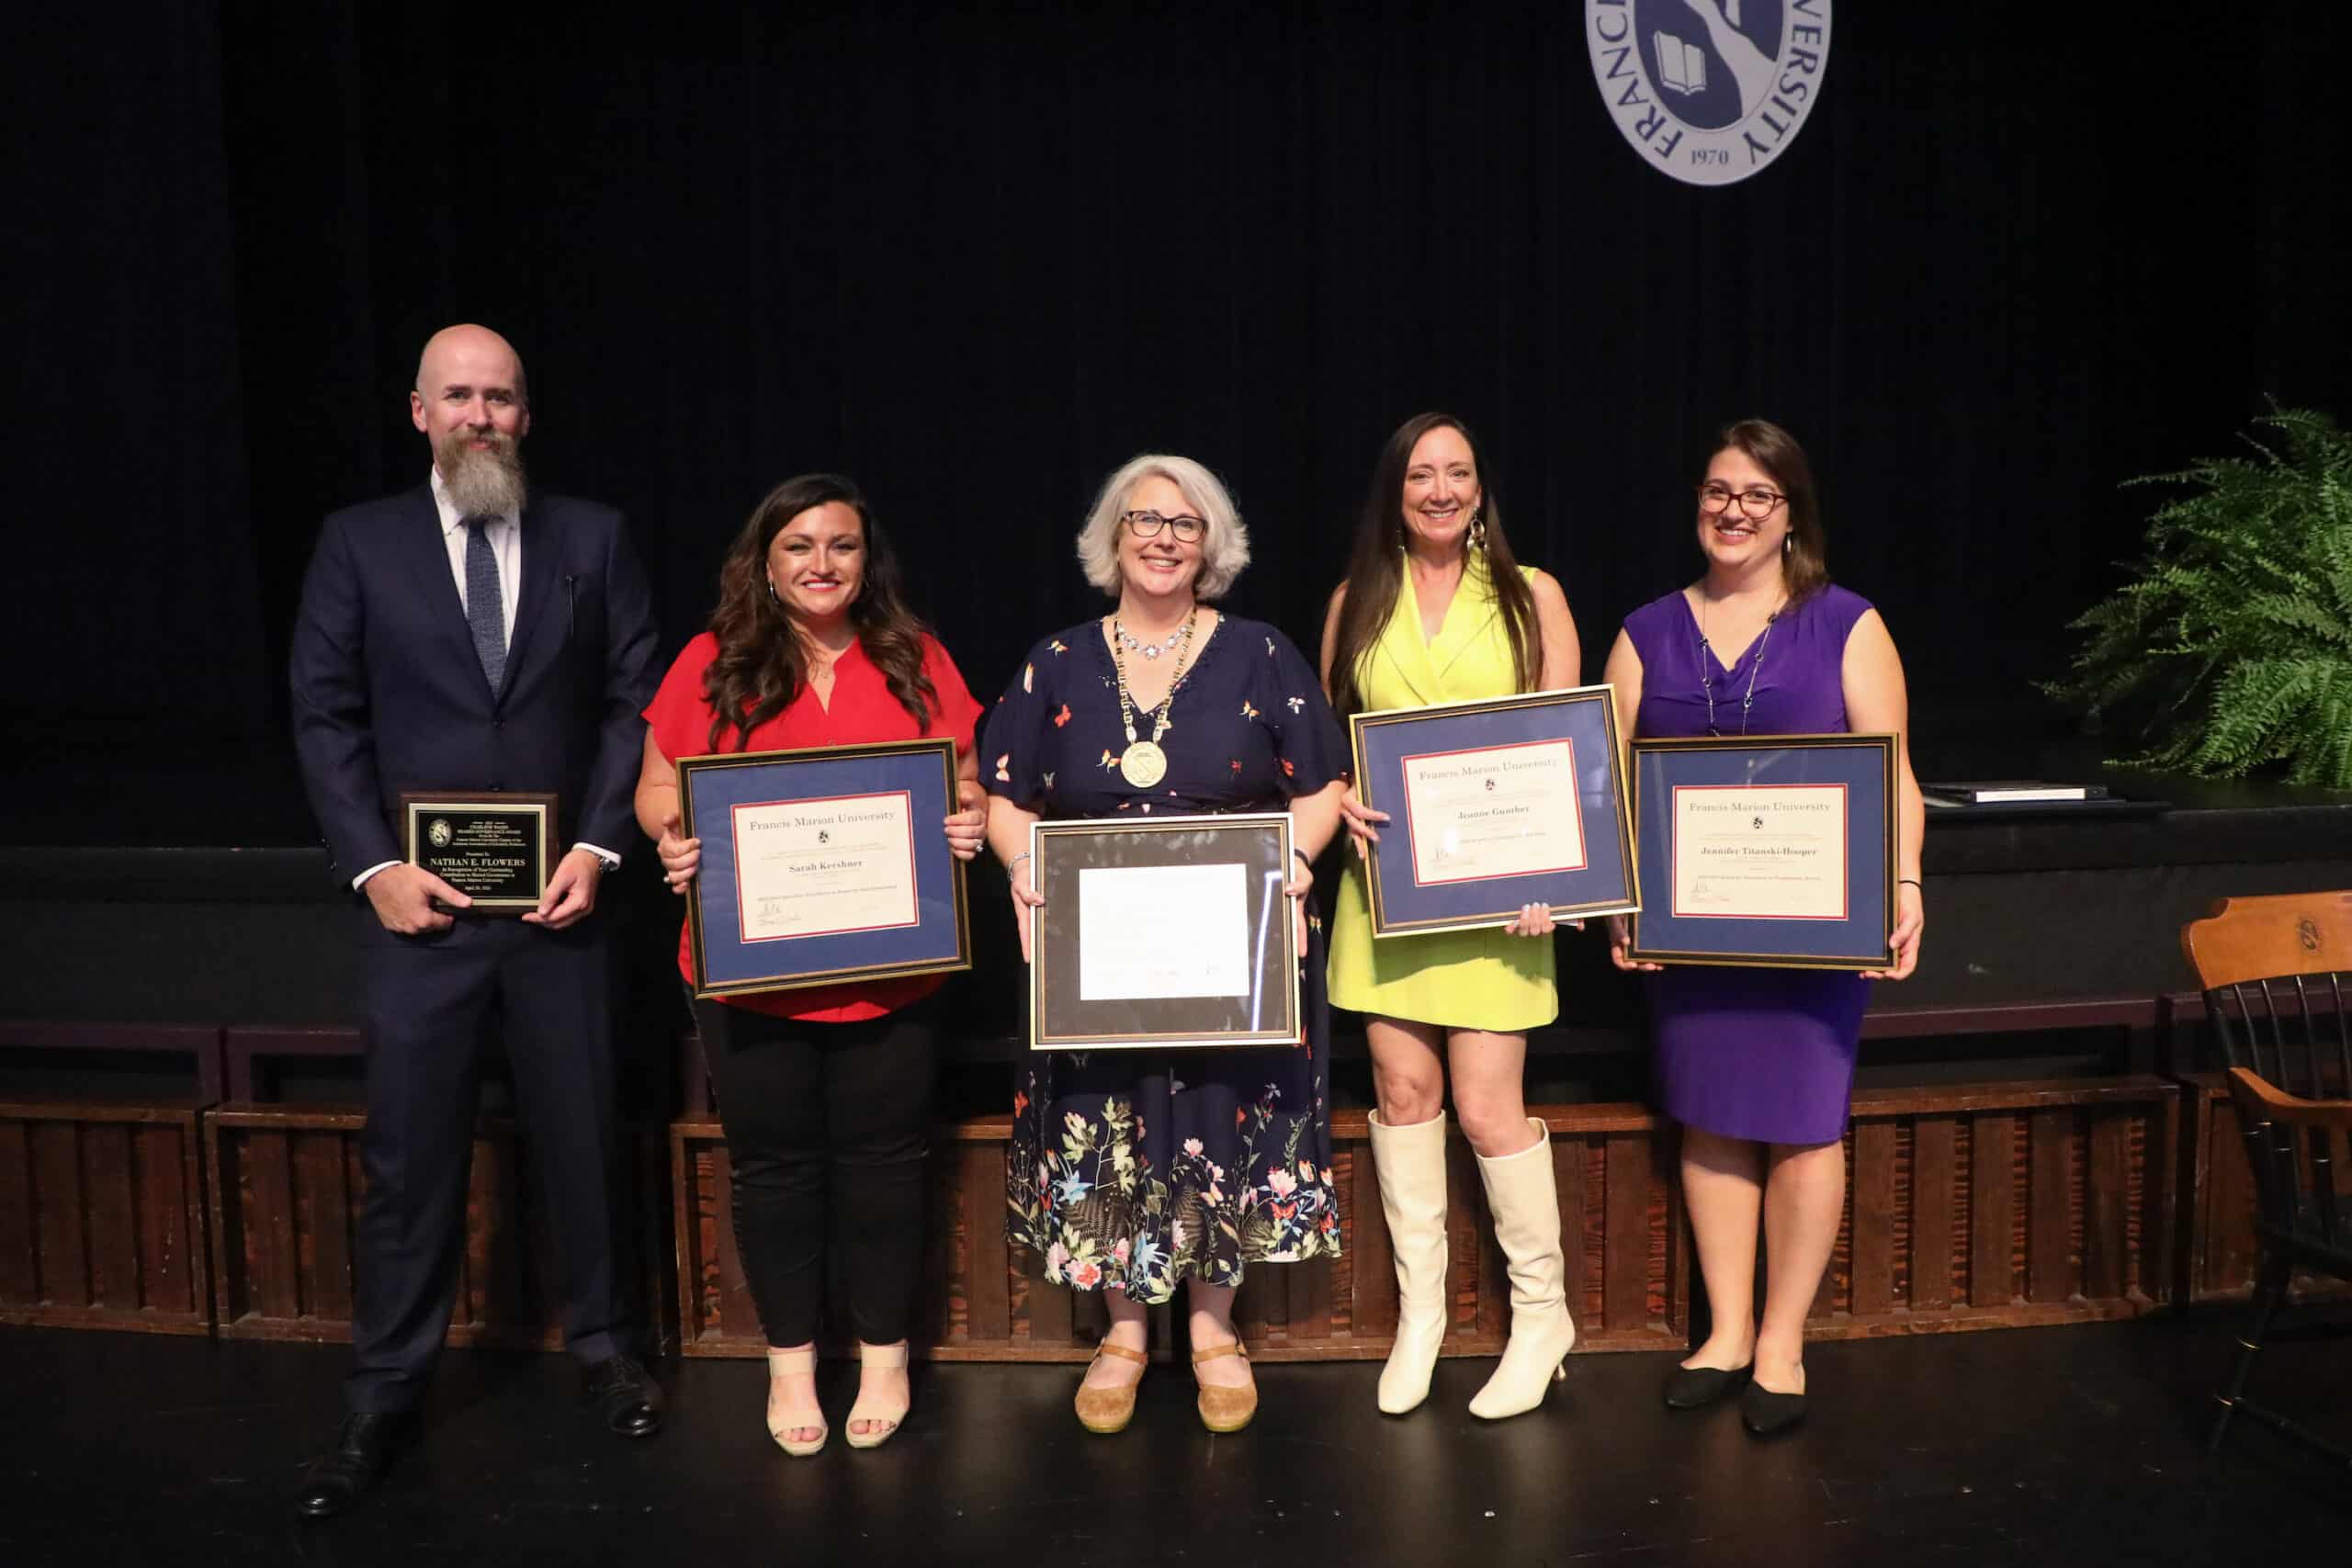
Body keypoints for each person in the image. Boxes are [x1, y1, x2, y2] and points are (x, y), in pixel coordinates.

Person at [287, 324, 662, 1519]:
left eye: (501, 396)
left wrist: (603, 841)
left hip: (566, 907)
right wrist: (372, 867)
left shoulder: (592, 538)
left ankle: (607, 1345)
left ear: (526, 414)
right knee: (408, 1157)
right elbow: (324, 713)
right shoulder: (359, 543)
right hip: (420, 917)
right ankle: (387, 1385)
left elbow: (630, 701)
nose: (480, 415)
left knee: (585, 1136)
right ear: (419, 411)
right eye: (459, 396)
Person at [983, 454, 1348, 1435]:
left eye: (1185, 524)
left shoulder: (1263, 652)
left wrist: (1300, 859)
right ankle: (1124, 1333)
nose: (1162, 538)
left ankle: (1216, 1328)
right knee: (1105, 1122)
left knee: (1220, 1117)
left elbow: (1318, 786)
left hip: (1229, 944)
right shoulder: (1051, 662)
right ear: (1112, 537)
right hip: (1096, 949)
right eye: (1143, 519)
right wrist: (1025, 868)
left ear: (1212, 544)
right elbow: (1003, 798)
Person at [633, 474, 985, 1455]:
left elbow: (964, 780)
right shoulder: (711, 660)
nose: (821, 564)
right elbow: (657, 785)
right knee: (774, 1169)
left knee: (884, 1167)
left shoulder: (915, 657)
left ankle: (884, 1358)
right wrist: (671, 835)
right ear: (765, 559)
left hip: (892, 967)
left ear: (867, 561)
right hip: (748, 969)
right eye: (799, 546)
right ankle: (790, 1363)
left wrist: (964, 824)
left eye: (841, 545)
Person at [1602, 418, 1925, 1437]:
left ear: (1791, 514)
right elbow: (1604, 787)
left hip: (1816, 928)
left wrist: (1903, 884)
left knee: (1802, 1120)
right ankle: (1727, 1331)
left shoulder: (1847, 623)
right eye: (1714, 492)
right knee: (1709, 1113)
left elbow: (1893, 770)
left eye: (1755, 495)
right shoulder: (1645, 630)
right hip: (1691, 934)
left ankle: (1783, 1341)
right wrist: (1620, 897)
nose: (1730, 512)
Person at [1321, 412, 1584, 1419]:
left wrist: (1554, 874)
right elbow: (1334, 742)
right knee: (1400, 1091)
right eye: (1420, 474)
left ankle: (1541, 1315)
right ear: (1394, 491)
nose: (1438, 489)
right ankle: (1421, 1317)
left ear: (1480, 488)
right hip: (1389, 888)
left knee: (1485, 1107)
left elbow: (1570, 749)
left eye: (1457, 472)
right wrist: (1340, 794)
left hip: (1501, 900)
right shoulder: (1357, 599)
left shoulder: (1532, 596)